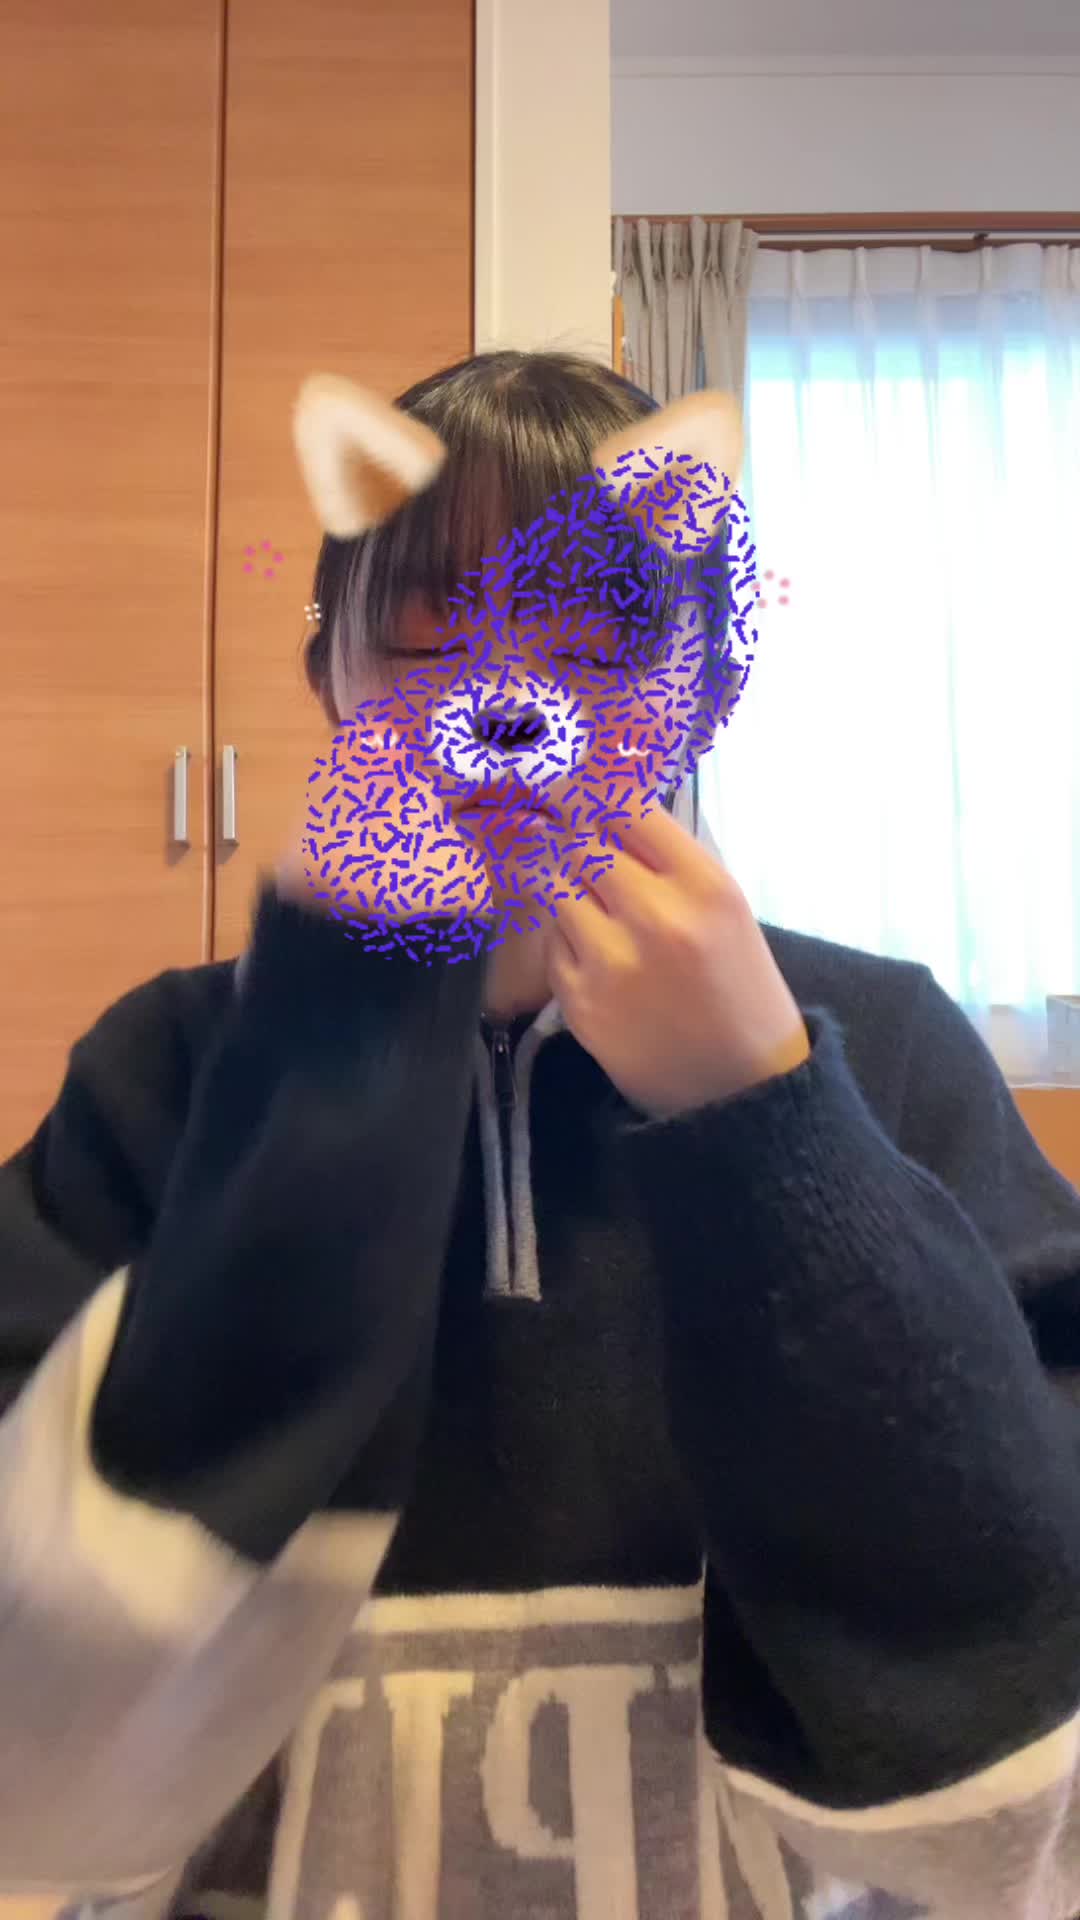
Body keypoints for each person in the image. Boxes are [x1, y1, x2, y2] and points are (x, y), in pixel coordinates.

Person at [2, 350, 1080, 1920]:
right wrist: (337, 1061)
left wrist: (766, 1110)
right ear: (332, 676)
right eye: (431, 633)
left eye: (598, 642)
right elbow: (32, 1723)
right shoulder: (167, 1069)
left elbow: (1019, 1725)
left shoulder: (888, 1042)